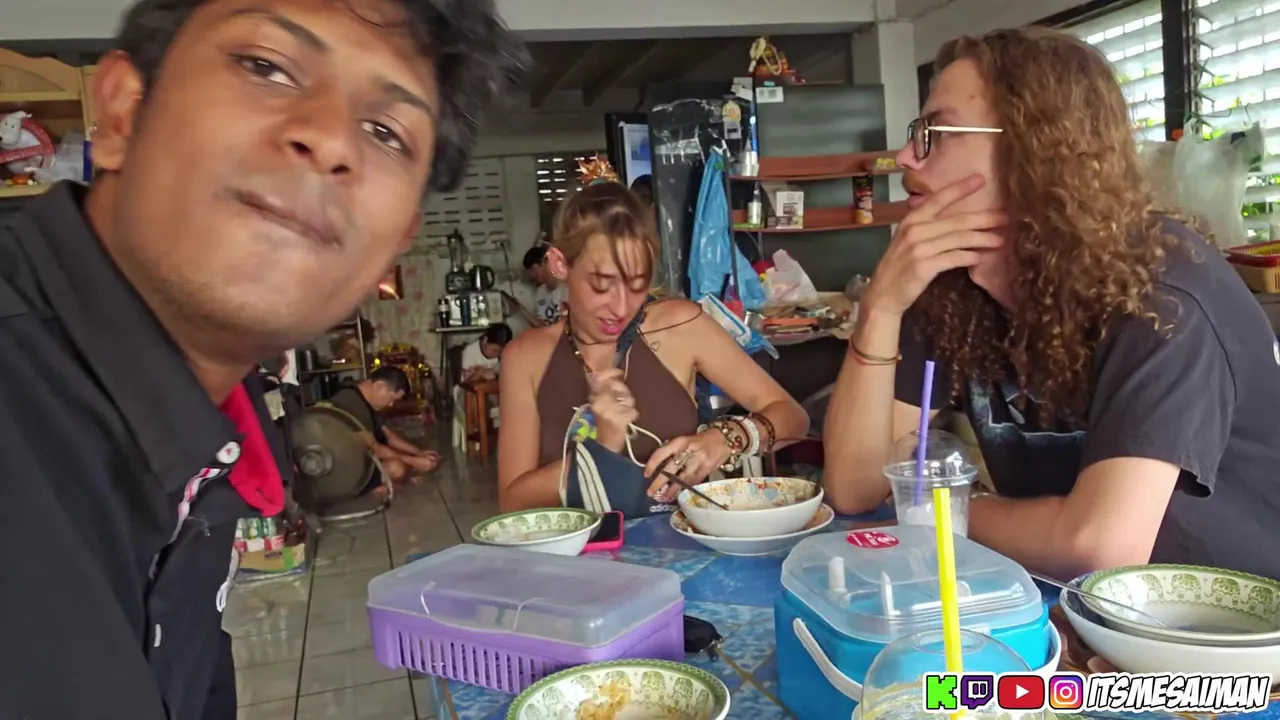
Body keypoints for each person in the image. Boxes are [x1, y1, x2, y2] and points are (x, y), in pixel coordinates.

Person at [0, 0, 523, 716]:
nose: (330, 140)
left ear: (398, 238)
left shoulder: (206, 447)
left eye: (385, 131)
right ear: (123, 111)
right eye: (265, 66)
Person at [822, 27, 1280, 581]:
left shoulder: (1163, 294)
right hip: (1071, 605)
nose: (903, 157)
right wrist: (881, 308)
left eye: (936, 133)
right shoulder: (950, 281)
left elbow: (1100, 545)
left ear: (1034, 148)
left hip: (1228, 622)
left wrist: (943, 508)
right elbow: (855, 488)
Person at [497, 181, 808, 513]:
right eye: (601, 285)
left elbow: (792, 418)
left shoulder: (680, 326)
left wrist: (727, 437)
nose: (620, 307)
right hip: (583, 546)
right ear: (559, 264)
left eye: (637, 285)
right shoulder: (526, 357)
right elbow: (513, 502)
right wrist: (601, 448)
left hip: (684, 540)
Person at [328, 367, 442, 489]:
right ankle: (373, 487)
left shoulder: (366, 400)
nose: (391, 404)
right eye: (392, 399)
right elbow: (374, 449)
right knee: (397, 468)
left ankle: (381, 481)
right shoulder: (351, 402)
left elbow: (389, 437)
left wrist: (419, 453)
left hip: (357, 460)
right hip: (340, 471)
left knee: (399, 459)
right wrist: (414, 462)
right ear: (379, 386)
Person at [519, 242, 569, 326]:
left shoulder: (565, 287)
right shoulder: (540, 293)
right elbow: (542, 325)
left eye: (534, 269)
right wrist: (520, 309)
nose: (532, 275)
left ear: (544, 264)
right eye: (530, 272)